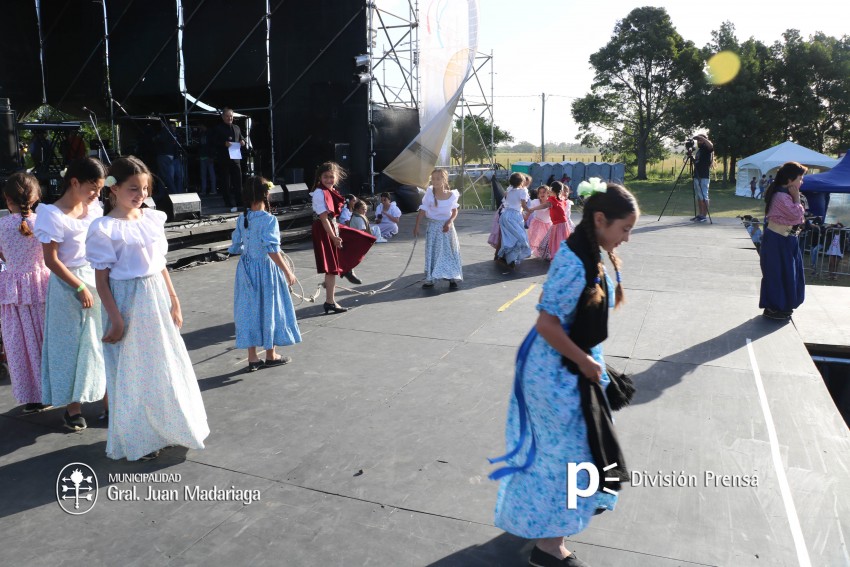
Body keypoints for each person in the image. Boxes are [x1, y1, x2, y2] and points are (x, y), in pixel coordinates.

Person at [491, 183, 639, 567]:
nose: (627, 238)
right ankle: (548, 548)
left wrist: (595, 362)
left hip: (571, 364)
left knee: (569, 454)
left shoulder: (592, 252)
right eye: (624, 229)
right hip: (553, 372)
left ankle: (546, 519)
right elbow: (547, 325)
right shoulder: (574, 261)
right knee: (571, 456)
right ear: (600, 220)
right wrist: (588, 363)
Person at [86, 156, 209, 461]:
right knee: (132, 372)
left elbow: (160, 266)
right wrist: (115, 318)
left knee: (163, 367)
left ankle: (168, 429)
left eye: (144, 188)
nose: (140, 195)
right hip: (127, 302)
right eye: (133, 188)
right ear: (113, 189)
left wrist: (175, 300)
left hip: (156, 299)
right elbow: (101, 281)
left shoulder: (151, 218)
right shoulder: (104, 228)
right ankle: (139, 439)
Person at [34, 157, 107, 431]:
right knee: (70, 345)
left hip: (96, 277)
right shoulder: (51, 214)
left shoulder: (93, 209)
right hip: (68, 285)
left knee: (98, 342)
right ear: (74, 182)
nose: (96, 195)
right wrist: (78, 287)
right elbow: (51, 260)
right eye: (92, 188)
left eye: (99, 189)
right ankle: (72, 407)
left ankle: (102, 397)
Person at [229, 176, 301, 372]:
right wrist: (287, 271)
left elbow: (235, 246)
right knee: (270, 307)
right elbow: (272, 249)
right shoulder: (269, 220)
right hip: (266, 269)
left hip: (246, 269)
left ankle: (252, 358)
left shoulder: (242, 218)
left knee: (249, 310)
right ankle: (271, 354)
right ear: (266, 194)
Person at [0, 173, 51, 412]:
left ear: (6, 198)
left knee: (20, 342)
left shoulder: (1, 226)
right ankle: (52, 389)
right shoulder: (43, 222)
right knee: (45, 338)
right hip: (42, 284)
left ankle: (31, 396)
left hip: (14, 289)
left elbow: (4, 255)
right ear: (37, 196)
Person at [310, 162, 376, 312]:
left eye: (331, 177)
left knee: (359, 237)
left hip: (332, 225)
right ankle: (330, 302)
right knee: (331, 268)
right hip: (324, 228)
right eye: (325, 177)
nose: (328, 180)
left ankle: (346, 267)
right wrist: (333, 236)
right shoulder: (320, 193)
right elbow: (323, 218)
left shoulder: (331, 191)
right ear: (320, 177)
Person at [759, 161, 807, 320]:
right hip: (778, 240)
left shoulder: (784, 195)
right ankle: (775, 307)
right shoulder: (781, 196)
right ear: (789, 180)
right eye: (800, 178)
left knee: (788, 274)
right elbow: (797, 216)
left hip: (787, 240)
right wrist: (797, 199)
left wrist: (795, 198)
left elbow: (799, 218)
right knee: (777, 274)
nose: (802, 182)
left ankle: (783, 305)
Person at [413, 169, 463, 289]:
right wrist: (417, 226)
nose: (435, 181)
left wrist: (450, 222)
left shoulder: (451, 195)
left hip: (447, 228)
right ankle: (430, 278)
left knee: (448, 252)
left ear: (444, 180)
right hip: (434, 227)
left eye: (438, 178)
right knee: (433, 252)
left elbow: (454, 211)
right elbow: (422, 211)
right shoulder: (429, 194)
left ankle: (452, 277)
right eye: (433, 178)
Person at [528, 181, 572, 260]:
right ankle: (559, 256)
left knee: (557, 241)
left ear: (551, 190)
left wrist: (533, 209)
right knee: (557, 241)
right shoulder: (559, 200)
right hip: (561, 224)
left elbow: (544, 205)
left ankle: (557, 257)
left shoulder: (553, 200)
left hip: (559, 225)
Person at [497, 172, 532, 267]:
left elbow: (506, 201)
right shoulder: (522, 191)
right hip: (515, 216)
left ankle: (510, 259)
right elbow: (524, 205)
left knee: (510, 238)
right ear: (521, 181)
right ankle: (511, 258)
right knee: (519, 237)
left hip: (505, 215)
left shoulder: (509, 190)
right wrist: (530, 211)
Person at [213, 107, 245, 209]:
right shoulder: (218, 128)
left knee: (238, 181)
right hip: (224, 159)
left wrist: (243, 142)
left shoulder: (237, 127)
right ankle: (227, 202)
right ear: (223, 117)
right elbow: (213, 142)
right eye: (227, 116)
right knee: (226, 182)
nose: (229, 118)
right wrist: (223, 144)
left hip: (236, 159)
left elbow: (242, 138)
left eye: (231, 116)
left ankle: (239, 201)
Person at [155, 121, 184, 194]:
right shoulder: (169, 134)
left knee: (175, 176)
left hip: (174, 157)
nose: (173, 128)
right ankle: (173, 193)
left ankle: (176, 192)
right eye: (171, 127)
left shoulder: (173, 134)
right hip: (172, 157)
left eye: (174, 127)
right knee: (170, 176)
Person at [691, 133, 713, 222]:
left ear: (704, 141)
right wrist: (691, 157)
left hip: (703, 176)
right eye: (698, 141)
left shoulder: (707, 149)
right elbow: (698, 162)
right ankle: (700, 215)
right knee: (699, 196)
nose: (699, 142)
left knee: (704, 195)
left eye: (700, 140)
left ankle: (704, 215)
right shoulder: (699, 150)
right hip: (697, 175)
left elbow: (711, 146)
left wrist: (702, 138)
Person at [527, 186, 552, 258]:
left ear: (548, 193)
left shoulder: (550, 202)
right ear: (538, 194)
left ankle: (545, 252)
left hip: (548, 224)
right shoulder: (535, 201)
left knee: (544, 239)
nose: (542, 194)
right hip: (537, 222)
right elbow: (530, 210)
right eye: (540, 192)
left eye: (544, 192)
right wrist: (526, 216)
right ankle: (531, 250)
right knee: (535, 237)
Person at [197, 124, 217, 195]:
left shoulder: (209, 134)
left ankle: (212, 190)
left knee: (210, 174)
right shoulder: (202, 134)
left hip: (208, 156)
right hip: (203, 156)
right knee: (205, 175)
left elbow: (212, 146)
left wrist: (211, 156)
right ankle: (205, 190)